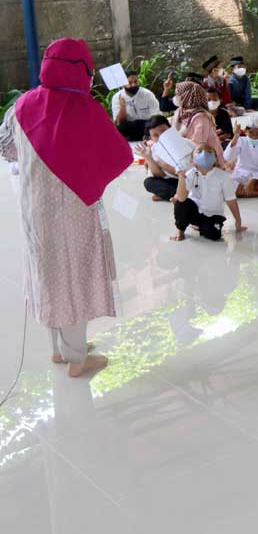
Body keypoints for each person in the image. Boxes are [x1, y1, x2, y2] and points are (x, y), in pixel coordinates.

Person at [0, 38, 132, 378]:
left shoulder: (23, 105)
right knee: (75, 277)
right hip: (76, 209)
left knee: (47, 273)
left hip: (34, 210)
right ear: (83, 70)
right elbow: (120, 155)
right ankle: (77, 361)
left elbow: (7, 149)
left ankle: (59, 351)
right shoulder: (87, 110)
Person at [170, 142, 245, 242]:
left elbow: (231, 200)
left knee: (213, 234)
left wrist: (238, 221)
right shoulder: (190, 174)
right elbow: (182, 198)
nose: (204, 154)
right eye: (199, 151)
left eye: (209, 151)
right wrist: (181, 178)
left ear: (215, 159)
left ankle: (200, 225)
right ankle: (180, 231)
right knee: (180, 203)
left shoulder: (223, 176)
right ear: (192, 160)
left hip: (214, 214)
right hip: (195, 210)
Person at [172, 80, 225, 165]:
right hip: (185, 154)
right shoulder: (179, 112)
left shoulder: (201, 118)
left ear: (187, 96)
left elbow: (197, 145)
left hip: (205, 160)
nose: (175, 97)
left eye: (177, 94)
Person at [136, 115, 183, 201]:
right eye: (155, 135)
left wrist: (161, 164)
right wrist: (148, 158)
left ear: (170, 129)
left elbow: (185, 173)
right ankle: (177, 195)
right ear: (151, 138)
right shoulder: (153, 149)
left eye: (163, 131)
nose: (161, 136)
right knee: (149, 182)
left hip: (186, 180)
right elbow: (159, 175)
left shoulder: (181, 143)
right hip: (172, 181)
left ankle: (179, 196)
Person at [111, 69, 160, 141]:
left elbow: (156, 116)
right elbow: (119, 122)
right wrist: (122, 107)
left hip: (148, 125)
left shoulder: (147, 94)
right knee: (120, 128)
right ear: (123, 84)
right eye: (129, 83)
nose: (133, 85)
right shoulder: (117, 97)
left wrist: (150, 133)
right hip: (130, 128)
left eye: (135, 82)